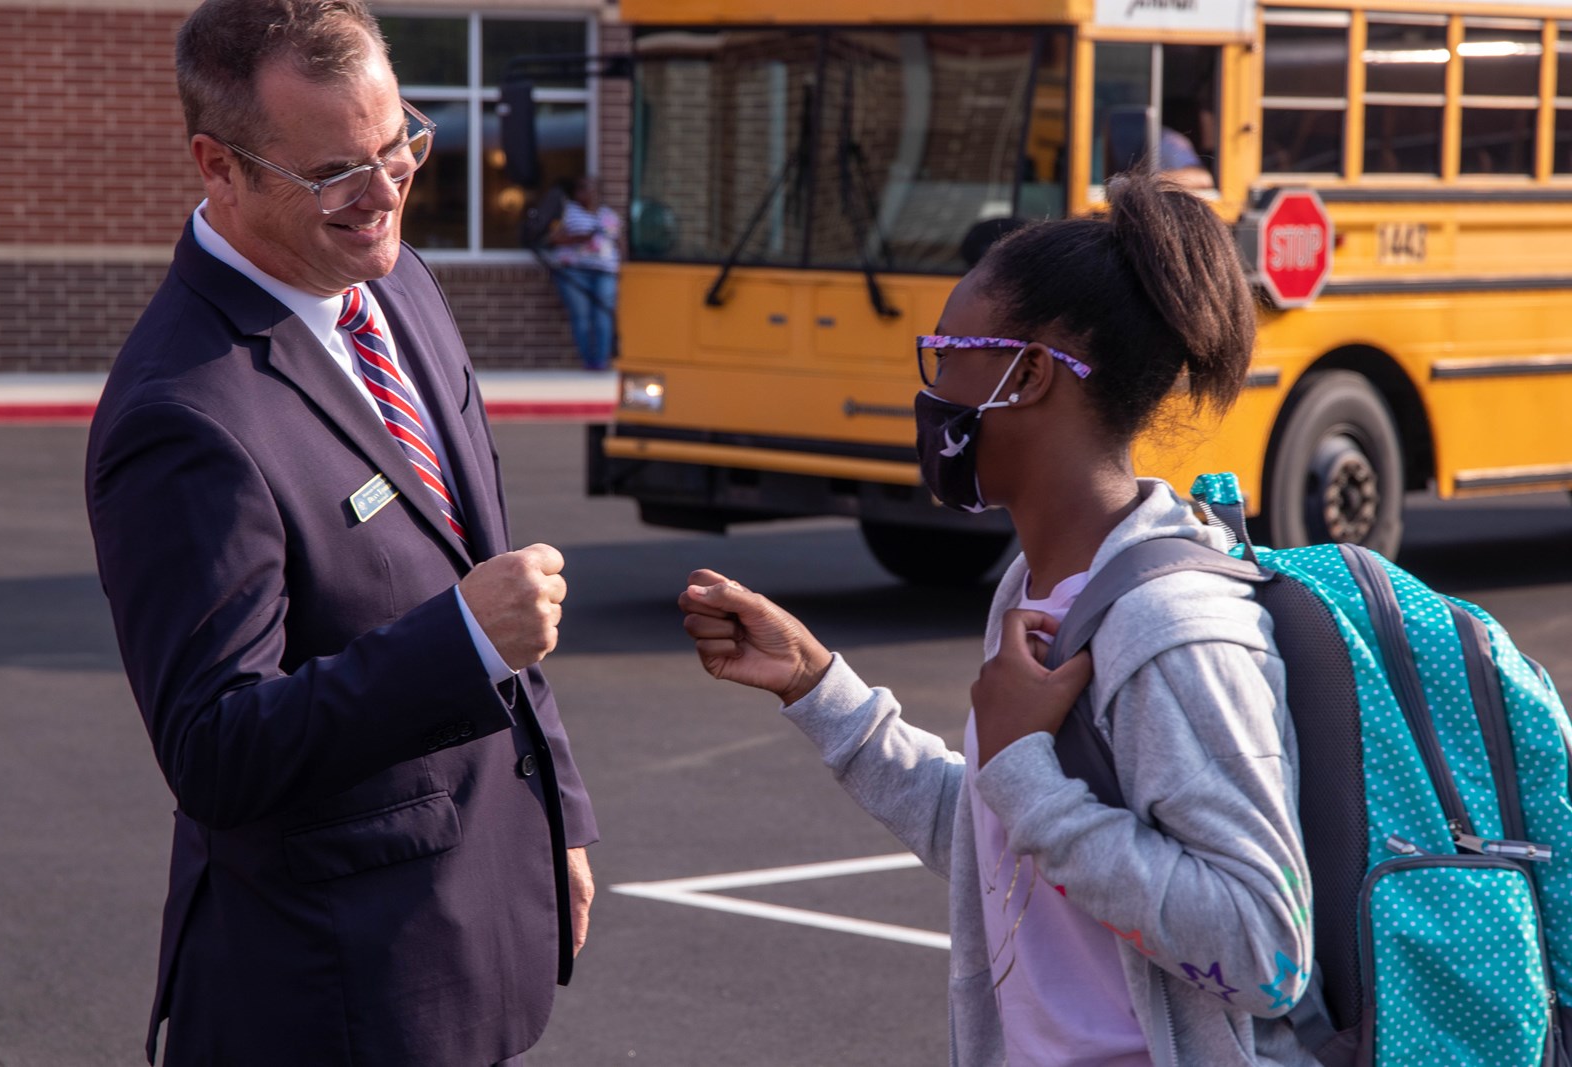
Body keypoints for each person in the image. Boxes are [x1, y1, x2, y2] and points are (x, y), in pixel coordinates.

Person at [680, 170, 1317, 1066]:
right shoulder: (1032, 586)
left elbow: (1263, 951)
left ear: (1028, 375)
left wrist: (1024, 768)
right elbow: (1003, 846)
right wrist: (815, 683)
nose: (933, 384)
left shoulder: (1174, 629)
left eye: (948, 352)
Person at [83, 2, 596, 1064]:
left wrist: (564, 817)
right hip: (334, 996)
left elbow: (471, 550)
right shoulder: (180, 412)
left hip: (476, 933)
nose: (386, 192)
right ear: (217, 166)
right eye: (334, 173)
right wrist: (461, 637)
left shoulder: (396, 281)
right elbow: (217, 749)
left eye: (400, 142)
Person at [546, 175, 621, 371]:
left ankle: (602, 362)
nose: (584, 193)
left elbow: (620, 243)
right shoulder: (568, 212)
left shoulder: (609, 216)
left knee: (603, 316)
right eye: (580, 188)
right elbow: (553, 238)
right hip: (575, 271)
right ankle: (590, 362)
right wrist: (581, 237)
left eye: (589, 188)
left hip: (605, 271)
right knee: (582, 317)